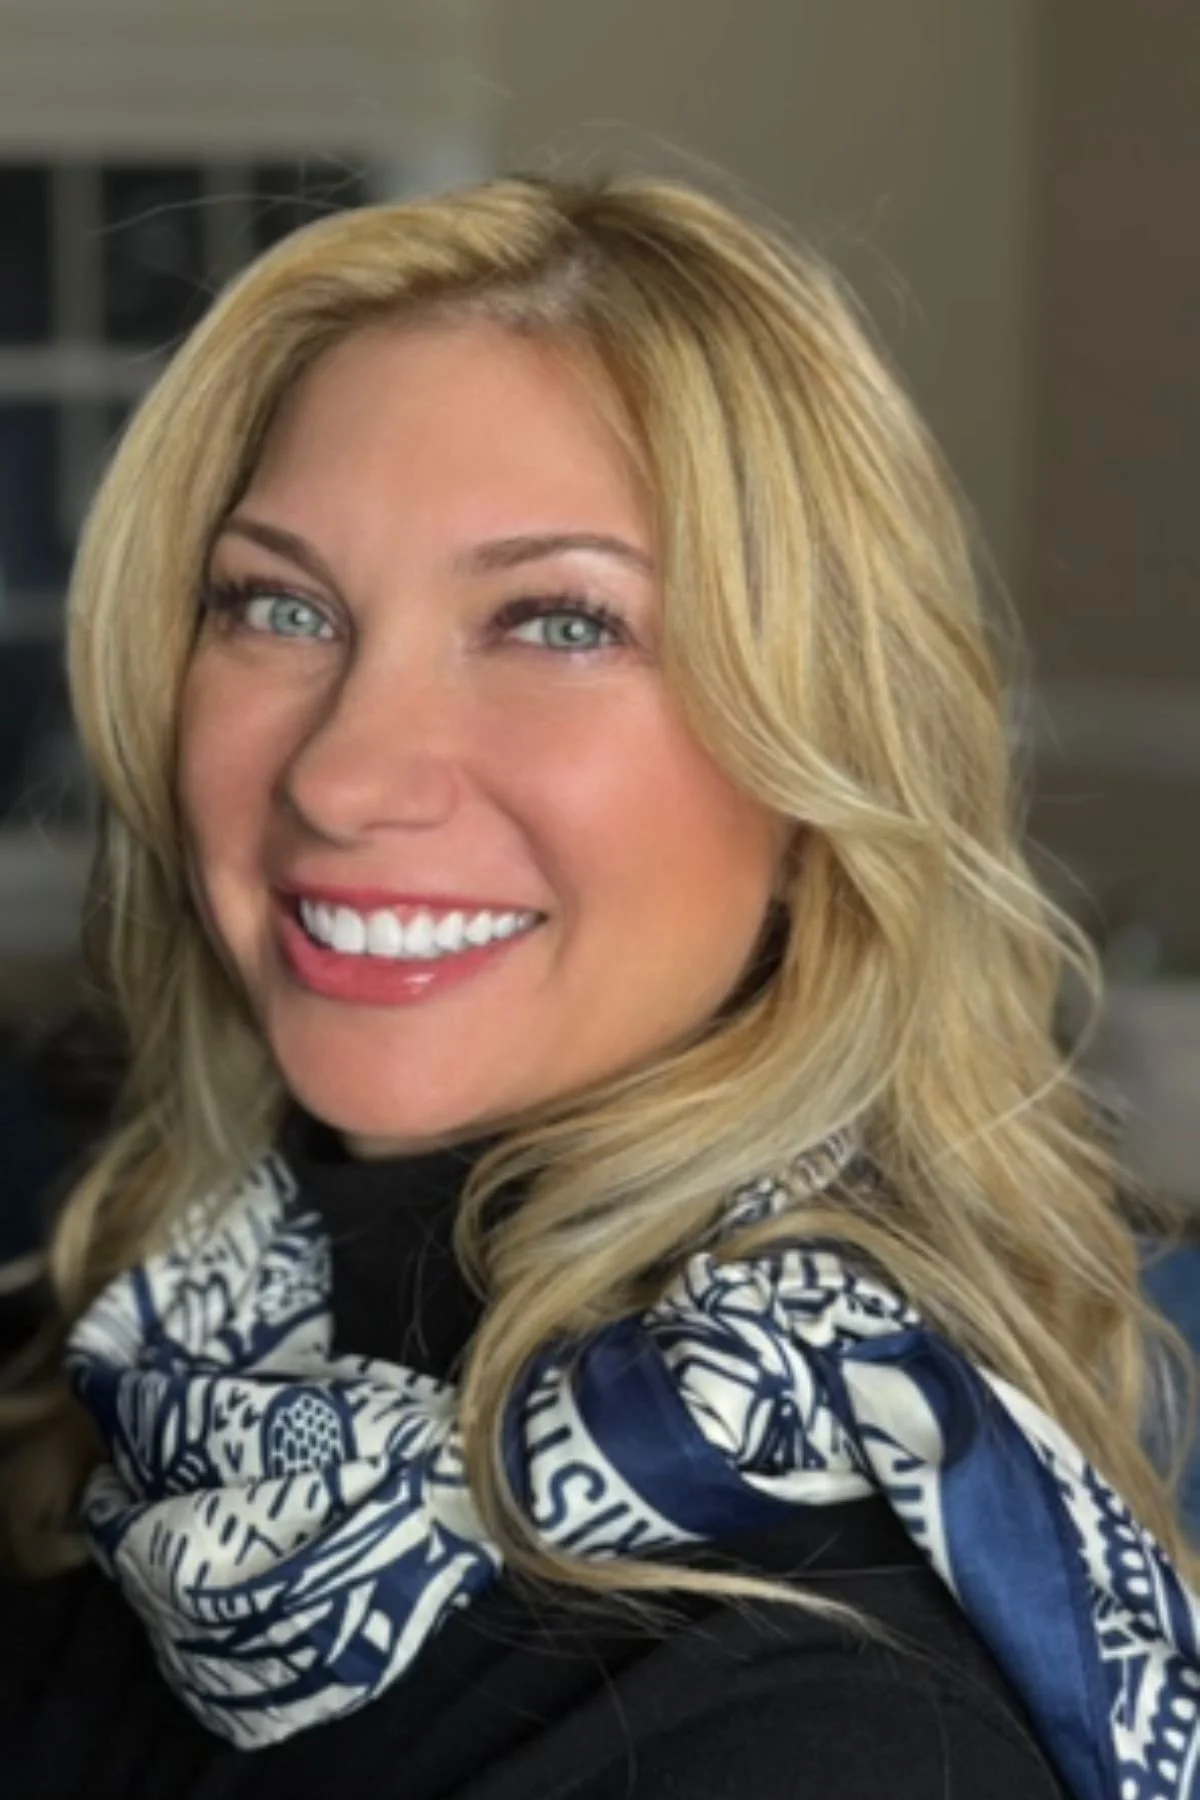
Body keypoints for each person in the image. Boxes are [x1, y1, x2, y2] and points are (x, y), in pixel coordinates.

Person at [1, 173, 1196, 1800]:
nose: (345, 776)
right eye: (279, 606)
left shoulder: (816, 1731)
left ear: (815, 763)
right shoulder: (145, 1380)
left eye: (558, 621)